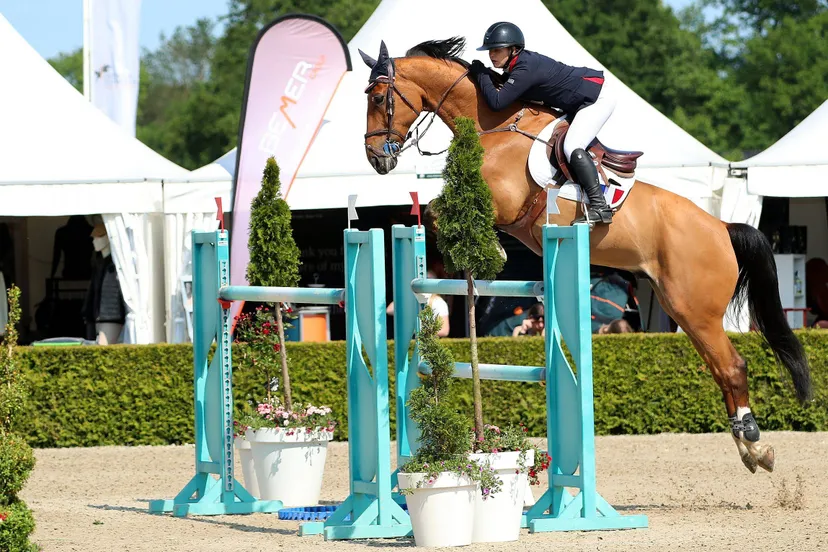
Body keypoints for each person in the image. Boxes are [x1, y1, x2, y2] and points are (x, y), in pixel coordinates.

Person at [470, 21, 617, 225]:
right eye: (489, 51)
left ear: (514, 50)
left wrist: (481, 73)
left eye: (496, 50)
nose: (491, 55)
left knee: (571, 146)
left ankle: (600, 207)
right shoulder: (517, 66)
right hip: (577, 101)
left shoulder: (525, 68)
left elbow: (497, 102)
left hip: (597, 98)